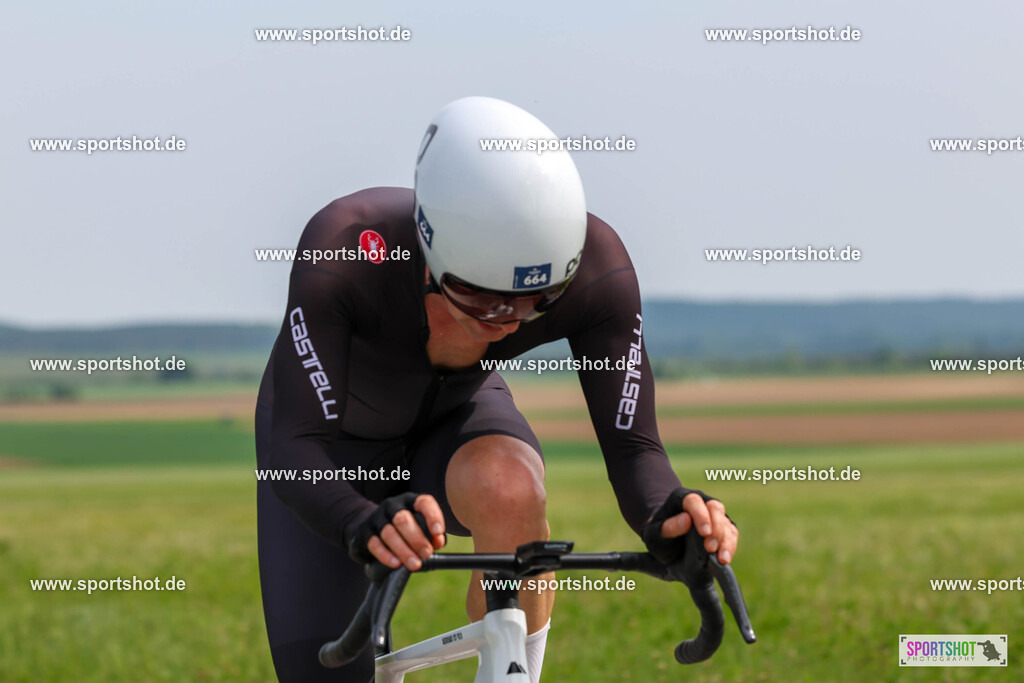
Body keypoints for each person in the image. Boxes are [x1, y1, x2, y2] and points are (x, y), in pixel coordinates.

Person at [254, 96, 739, 682]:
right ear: (428, 247)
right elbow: (297, 449)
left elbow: (636, 450)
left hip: (454, 420)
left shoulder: (598, 266)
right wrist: (360, 521)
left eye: (542, 301)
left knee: (509, 486)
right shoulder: (347, 244)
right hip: (329, 450)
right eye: (480, 297)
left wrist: (669, 517)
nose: (509, 321)